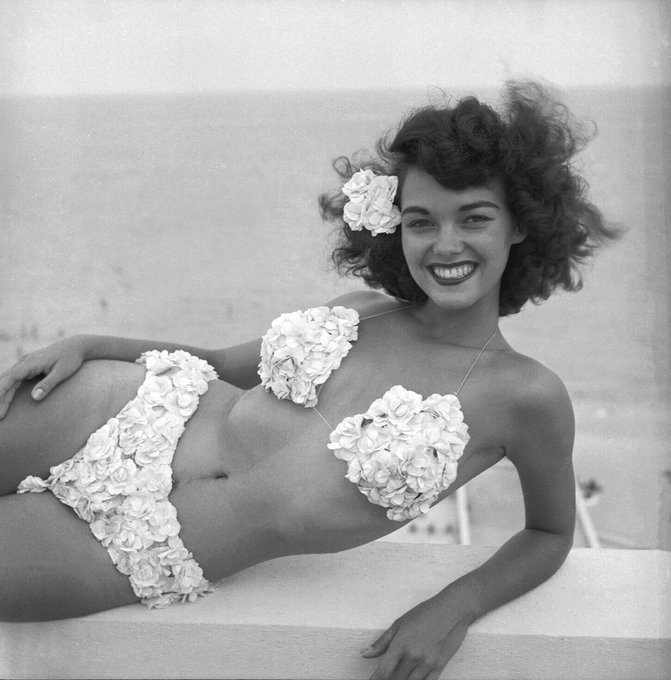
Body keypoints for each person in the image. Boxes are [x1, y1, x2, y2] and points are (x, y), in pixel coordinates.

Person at [0, 80, 616, 680]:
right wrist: (93, 344)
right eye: (421, 221)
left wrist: (453, 609)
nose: (445, 244)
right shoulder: (362, 311)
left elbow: (549, 533)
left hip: (139, 543)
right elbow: (218, 364)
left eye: (474, 218)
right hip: (109, 406)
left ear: (519, 224)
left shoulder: (527, 396)